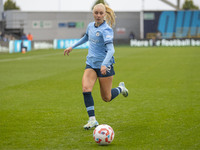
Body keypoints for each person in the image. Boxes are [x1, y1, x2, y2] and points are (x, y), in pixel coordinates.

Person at [64, 3, 129, 130]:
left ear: (105, 14)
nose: (98, 15)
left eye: (101, 13)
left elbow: (111, 51)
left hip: (105, 66)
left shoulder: (106, 30)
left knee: (106, 97)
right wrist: (72, 46)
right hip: (91, 64)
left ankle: (121, 88)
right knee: (86, 89)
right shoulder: (90, 26)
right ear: (93, 13)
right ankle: (92, 120)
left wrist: (104, 64)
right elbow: (85, 37)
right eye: (96, 13)